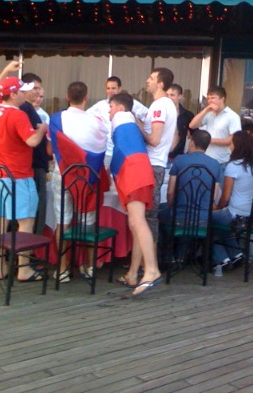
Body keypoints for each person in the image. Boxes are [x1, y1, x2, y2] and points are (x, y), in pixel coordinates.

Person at [0, 62, 48, 281]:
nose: (26, 93)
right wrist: (41, 129)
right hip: (19, 176)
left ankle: (1, 266)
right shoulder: (18, 115)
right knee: (26, 221)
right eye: (22, 90)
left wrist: (5, 70)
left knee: (0, 219)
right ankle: (23, 268)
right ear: (13, 95)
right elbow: (32, 141)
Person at [49, 81, 108, 282]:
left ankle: (63, 269)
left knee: (62, 222)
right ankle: (90, 266)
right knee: (87, 224)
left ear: (67, 96)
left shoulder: (56, 119)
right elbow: (101, 152)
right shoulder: (97, 123)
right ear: (86, 98)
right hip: (87, 178)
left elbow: (52, 149)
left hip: (63, 174)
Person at [109, 92, 161, 297]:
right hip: (139, 169)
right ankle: (133, 273)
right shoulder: (130, 121)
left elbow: (118, 151)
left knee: (138, 222)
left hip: (133, 171)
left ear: (120, 108)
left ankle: (151, 269)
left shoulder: (121, 118)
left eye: (111, 106)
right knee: (136, 222)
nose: (109, 111)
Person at [158, 129, 220, 266]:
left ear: (191, 143)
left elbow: (170, 192)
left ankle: (168, 257)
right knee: (188, 219)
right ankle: (183, 255)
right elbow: (213, 196)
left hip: (179, 217)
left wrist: (171, 205)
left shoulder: (180, 160)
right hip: (203, 220)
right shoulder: (215, 165)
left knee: (159, 215)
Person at [138, 67, 177, 244]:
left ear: (160, 84)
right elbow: (174, 137)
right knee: (148, 215)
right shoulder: (167, 104)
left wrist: (138, 127)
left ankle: (148, 263)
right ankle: (147, 262)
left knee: (147, 216)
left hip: (152, 164)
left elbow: (154, 139)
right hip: (157, 162)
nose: (147, 80)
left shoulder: (160, 105)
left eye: (151, 78)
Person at [210, 130, 253, 271]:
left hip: (236, 215)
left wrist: (217, 208)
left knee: (208, 220)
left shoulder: (233, 166)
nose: (230, 145)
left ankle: (221, 258)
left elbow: (225, 197)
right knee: (221, 223)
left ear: (237, 145)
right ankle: (236, 253)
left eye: (232, 143)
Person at [87, 76, 148, 169]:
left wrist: (138, 123)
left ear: (120, 88)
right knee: (104, 181)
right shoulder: (101, 105)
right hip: (106, 151)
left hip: (124, 153)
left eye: (113, 88)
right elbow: (86, 117)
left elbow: (148, 116)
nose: (110, 91)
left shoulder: (131, 102)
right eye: (108, 88)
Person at [189, 86, 242, 181]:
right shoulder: (209, 114)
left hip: (221, 161)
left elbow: (233, 139)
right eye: (208, 98)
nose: (210, 101)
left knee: (217, 191)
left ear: (222, 99)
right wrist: (206, 110)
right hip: (205, 159)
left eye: (213, 98)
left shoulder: (232, 116)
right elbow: (192, 125)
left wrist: (210, 140)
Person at [20, 72, 50, 237]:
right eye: (35, 88)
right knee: (35, 209)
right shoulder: (24, 108)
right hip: (33, 165)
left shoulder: (28, 109)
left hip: (35, 164)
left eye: (40, 89)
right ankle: (30, 248)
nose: (39, 93)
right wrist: (43, 128)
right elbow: (31, 138)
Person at [167, 83, 195, 161]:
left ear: (180, 96)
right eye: (167, 95)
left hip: (178, 157)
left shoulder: (187, 115)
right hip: (160, 156)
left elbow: (195, 135)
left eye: (172, 95)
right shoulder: (160, 112)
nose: (169, 97)